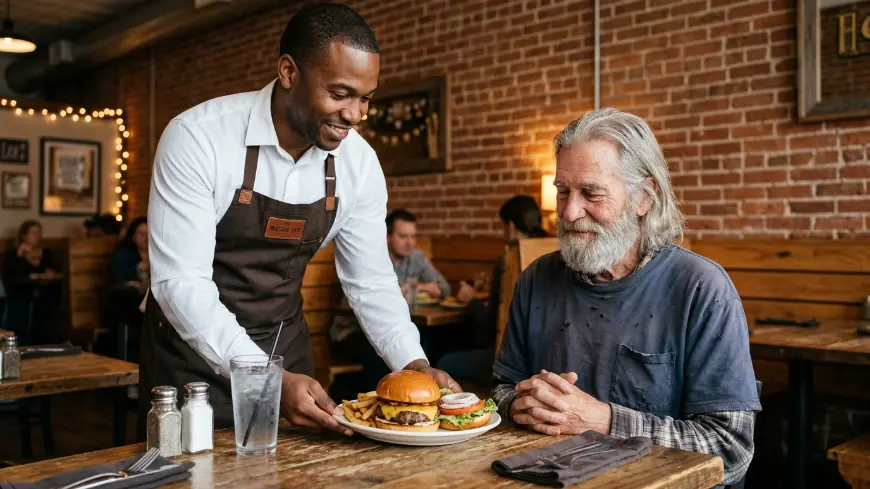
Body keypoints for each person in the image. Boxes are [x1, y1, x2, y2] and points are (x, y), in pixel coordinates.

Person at [140, 2, 459, 439]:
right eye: (340, 93)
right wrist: (262, 379)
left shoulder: (359, 165)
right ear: (288, 72)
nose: (355, 115)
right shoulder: (199, 138)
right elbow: (180, 284)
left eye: (365, 99)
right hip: (189, 359)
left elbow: (370, 282)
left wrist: (414, 366)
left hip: (284, 353)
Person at [491, 109, 760, 486]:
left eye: (591, 193)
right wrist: (522, 405)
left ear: (643, 198)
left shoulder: (701, 288)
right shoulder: (536, 279)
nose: (568, 212)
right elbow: (502, 389)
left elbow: (730, 450)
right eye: (563, 191)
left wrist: (604, 421)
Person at [328, 209, 450, 391]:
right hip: (351, 331)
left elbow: (444, 288)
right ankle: (383, 404)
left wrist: (414, 286)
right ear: (387, 236)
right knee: (384, 356)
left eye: (413, 237)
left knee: (429, 343)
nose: (409, 243)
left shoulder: (416, 257)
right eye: (403, 236)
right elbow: (354, 303)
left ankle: (415, 398)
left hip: (396, 330)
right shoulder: (370, 257)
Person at [437, 196, 550, 383]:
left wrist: (472, 300)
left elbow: (489, 330)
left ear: (511, 226)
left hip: (510, 363)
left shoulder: (509, 258)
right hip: (547, 360)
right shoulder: (553, 250)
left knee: (444, 362)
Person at [1, 220, 60, 344]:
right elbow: (12, 274)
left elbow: (51, 269)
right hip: (19, 292)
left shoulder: (46, 253)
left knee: (50, 300)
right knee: (21, 300)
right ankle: (21, 340)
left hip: (42, 292)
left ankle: (46, 341)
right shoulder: (12, 254)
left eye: (39, 233)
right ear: (23, 235)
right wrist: (19, 255)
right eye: (33, 233)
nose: (37, 236)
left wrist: (50, 273)